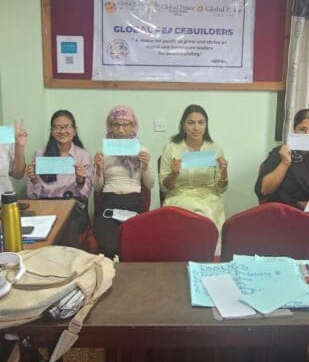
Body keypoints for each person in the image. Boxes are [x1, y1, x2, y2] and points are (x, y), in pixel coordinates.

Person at [93, 105, 154, 257]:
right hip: (109, 200)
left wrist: (146, 166)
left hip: (133, 200)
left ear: (133, 126)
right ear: (110, 126)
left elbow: (150, 185)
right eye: (116, 125)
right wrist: (99, 170)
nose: (121, 130)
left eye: (125, 125)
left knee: (134, 245)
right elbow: (97, 187)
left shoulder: (142, 150)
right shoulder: (103, 150)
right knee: (108, 247)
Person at [255, 108, 309, 206]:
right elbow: (264, 190)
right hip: (285, 210)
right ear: (294, 130)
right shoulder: (280, 152)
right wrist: (284, 163)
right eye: (302, 129)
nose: (307, 134)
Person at [159, 105, 228, 229]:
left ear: (206, 126)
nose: (196, 127)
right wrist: (174, 174)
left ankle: (208, 247)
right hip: (179, 196)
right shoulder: (171, 148)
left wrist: (224, 171)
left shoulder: (215, 148)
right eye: (191, 123)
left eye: (201, 123)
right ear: (183, 126)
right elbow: (163, 188)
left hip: (209, 198)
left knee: (207, 213)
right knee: (198, 213)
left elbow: (221, 189)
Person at [26, 110, 93, 234]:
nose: (62, 131)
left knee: (68, 230)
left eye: (67, 127)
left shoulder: (83, 155)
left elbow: (85, 195)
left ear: (74, 130)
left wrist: (80, 180)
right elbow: (32, 196)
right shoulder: (40, 154)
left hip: (72, 207)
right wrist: (34, 179)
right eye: (57, 127)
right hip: (45, 207)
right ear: (51, 131)